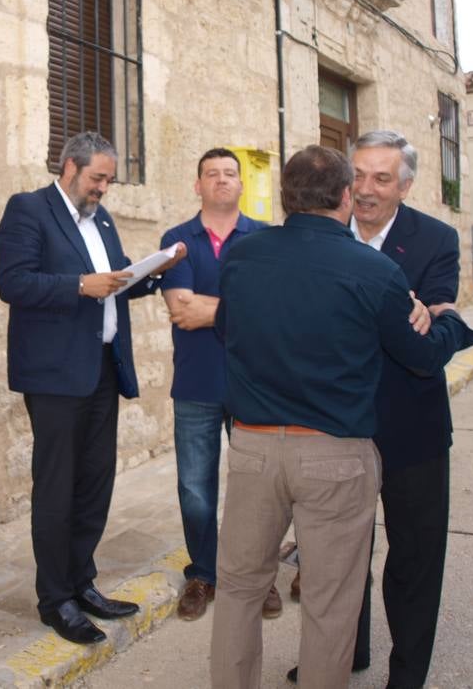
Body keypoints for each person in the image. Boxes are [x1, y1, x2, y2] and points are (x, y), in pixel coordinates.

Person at [209, 146, 473, 689]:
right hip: (333, 454)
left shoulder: (240, 256)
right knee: (332, 602)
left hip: (254, 449)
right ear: (343, 197)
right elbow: (419, 354)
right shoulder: (373, 268)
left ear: (287, 198)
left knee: (239, 589)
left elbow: (228, 332)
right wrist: (450, 323)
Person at [0, 132, 186, 645]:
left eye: (109, 179)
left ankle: (82, 583)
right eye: (98, 178)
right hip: (55, 375)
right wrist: (79, 285)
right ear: (70, 168)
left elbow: (115, 282)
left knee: (95, 482)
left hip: (102, 368)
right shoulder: (29, 209)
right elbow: (13, 283)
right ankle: (55, 598)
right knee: (57, 487)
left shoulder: (100, 219)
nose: (104, 188)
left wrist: (153, 272)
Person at [347, 129, 460, 687]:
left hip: (412, 426)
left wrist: (432, 316)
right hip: (337, 427)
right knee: (341, 554)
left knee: (415, 557)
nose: (364, 189)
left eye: (381, 178)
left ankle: (407, 674)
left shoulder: (435, 239)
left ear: (406, 185)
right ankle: (347, 652)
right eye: (358, 175)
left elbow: (437, 323)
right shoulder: (323, 233)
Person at [159, 148, 280, 622]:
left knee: (260, 488)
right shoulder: (177, 241)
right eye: (212, 174)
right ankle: (203, 573)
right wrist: (240, 309)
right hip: (196, 382)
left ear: (242, 184)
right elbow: (182, 310)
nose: (222, 180)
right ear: (198, 184)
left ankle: (258, 576)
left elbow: (273, 311)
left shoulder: (266, 239)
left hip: (255, 383)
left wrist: (224, 310)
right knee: (195, 487)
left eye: (230, 173)